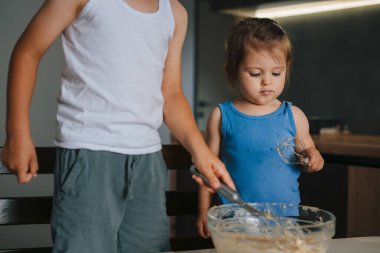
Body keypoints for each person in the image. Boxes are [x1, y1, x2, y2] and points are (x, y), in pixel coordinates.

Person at [0, 0, 235, 252]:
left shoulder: (175, 13)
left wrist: (201, 152)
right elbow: (28, 52)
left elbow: (172, 94)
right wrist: (17, 134)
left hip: (149, 162)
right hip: (88, 155)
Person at [196, 17, 324, 238]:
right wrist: (203, 211)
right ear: (232, 72)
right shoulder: (221, 116)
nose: (267, 82)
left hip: (285, 221)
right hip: (235, 222)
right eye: (255, 74)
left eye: (276, 73)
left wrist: (313, 159)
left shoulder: (294, 116)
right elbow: (206, 172)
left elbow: (308, 154)